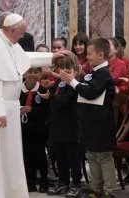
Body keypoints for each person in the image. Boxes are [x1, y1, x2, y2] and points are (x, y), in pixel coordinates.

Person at [0, 13, 68, 198]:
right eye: (21, 33)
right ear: (11, 30)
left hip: (8, 107)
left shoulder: (8, 43)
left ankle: (7, 191)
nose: (22, 37)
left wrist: (52, 56)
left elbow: (24, 58)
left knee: (8, 154)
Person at [61, 38, 117, 198]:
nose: (87, 57)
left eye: (90, 54)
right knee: (92, 156)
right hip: (90, 124)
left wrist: (72, 82)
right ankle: (96, 189)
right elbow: (84, 89)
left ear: (101, 55)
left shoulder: (104, 74)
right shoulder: (93, 73)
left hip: (102, 125)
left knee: (104, 157)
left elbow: (91, 93)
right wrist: (74, 80)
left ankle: (109, 190)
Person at [40, 53, 82, 197]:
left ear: (72, 67)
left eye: (64, 68)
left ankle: (76, 183)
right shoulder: (60, 81)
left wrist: (51, 96)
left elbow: (68, 100)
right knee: (60, 156)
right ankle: (63, 181)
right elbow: (54, 93)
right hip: (57, 124)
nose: (61, 71)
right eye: (59, 68)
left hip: (70, 126)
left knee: (72, 156)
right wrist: (48, 89)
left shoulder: (76, 82)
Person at [20, 67, 50, 193]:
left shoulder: (43, 90)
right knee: (27, 156)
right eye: (29, 72)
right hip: (23, 129)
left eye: (36, 72)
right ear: (24, 73)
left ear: (40, 74)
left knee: (40, 155)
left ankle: (44, 181)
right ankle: (29, 182)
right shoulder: (18, 90)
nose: (32, 75)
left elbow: (47, 110)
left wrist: (32, 110)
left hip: (39, 129)